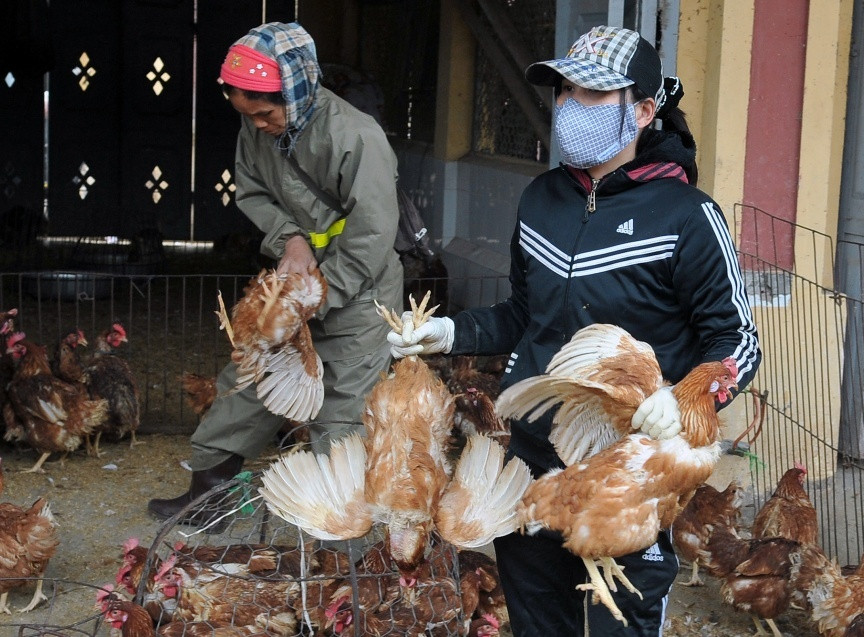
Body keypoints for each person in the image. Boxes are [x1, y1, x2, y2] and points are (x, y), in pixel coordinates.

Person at [389, 26, 761, 636]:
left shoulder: (688, 218)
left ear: (642, 111)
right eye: (564, 91)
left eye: (590, 95)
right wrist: (449, 333)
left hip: (628, 474)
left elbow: (738, 339)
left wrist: (689, 397)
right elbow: (522, 314)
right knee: (537, 619)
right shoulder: (541, 199)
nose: (567, 107)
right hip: (532, 460)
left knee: (621, 624)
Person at [148, 22, 403, 525]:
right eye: (246, 114)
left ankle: (340, 531)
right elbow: (253, 192)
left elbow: (373, 235)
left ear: (297, 89)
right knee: (246, 384)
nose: (258, 125)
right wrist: (289, 239)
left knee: (342, 415)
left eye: (265, 113)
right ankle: (209, 498)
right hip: (293, 285)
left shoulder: (356, 137)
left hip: (359, 294)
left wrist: (315, 299)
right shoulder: (258, 125)